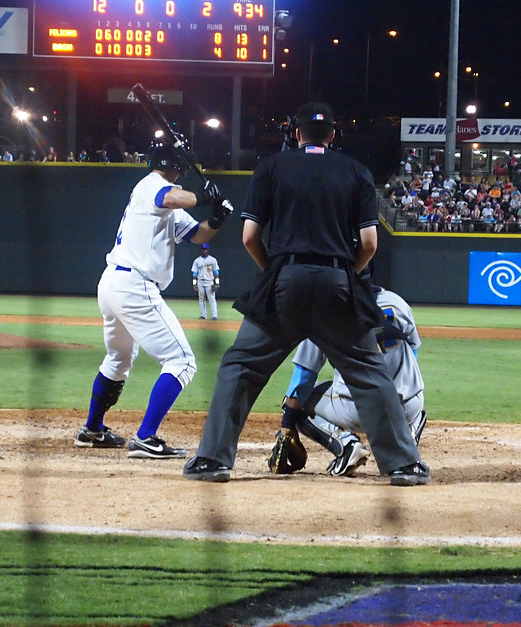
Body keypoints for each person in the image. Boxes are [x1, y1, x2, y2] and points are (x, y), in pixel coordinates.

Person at [182, 102, 429, 486]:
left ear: (296, 134)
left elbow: (249, 237)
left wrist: (275, 272)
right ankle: (403, 465)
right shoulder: (356, 172)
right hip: (338, 283)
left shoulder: (271, 167)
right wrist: (350, 276)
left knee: (240, 366)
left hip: (284, 281)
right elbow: (369, 242)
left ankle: (212, 460)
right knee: (368, 371)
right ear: (332, 135)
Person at [76, 139, 234, 459]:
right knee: (183, 361)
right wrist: (205, 196)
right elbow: (172, 196)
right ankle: (146, 437)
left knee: (119, 361)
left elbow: (198, 235)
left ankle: (92, 429)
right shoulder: (153, 186)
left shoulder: (164, 204)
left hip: (115, 284)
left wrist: (216, 217)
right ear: (177, 166)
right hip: (134, 285)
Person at [268, 286, 427, 478]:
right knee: (409, 389)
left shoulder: (323, 310)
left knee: (300, 403)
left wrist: (288, 422)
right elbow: (413, 351)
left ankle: (346, 446)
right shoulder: (398, 302)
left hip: (359, 410)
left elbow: (304, 375)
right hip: (410, 405)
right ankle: (406, 437)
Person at [190, 243, 220, 320]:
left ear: (208, 250)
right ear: (201, 250)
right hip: (200, 281)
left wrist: (217, 283)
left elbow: (216, 272)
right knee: (201, 298)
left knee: (211, 298)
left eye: (205, 249)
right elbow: (194, 273)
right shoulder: (197, 260)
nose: (204, 251)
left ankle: (214, 315)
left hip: (210, 281)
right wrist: (194, 283)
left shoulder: (212, 260)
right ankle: (203, 315)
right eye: (203, 249)